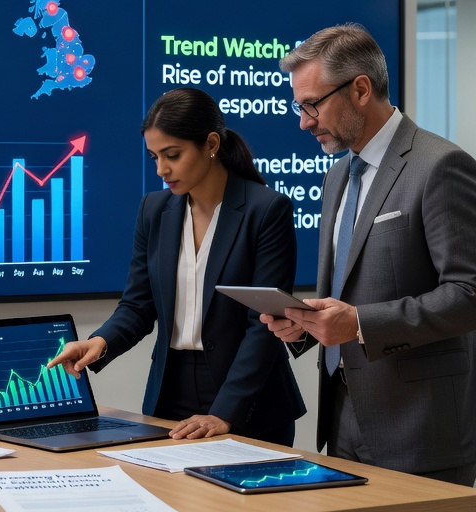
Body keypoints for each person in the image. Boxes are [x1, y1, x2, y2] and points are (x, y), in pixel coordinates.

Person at [261, 23, 476, 512]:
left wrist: (359, 325)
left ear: (361, 90)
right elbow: (350, 292)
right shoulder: (337, 176)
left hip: (423, 428)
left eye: (312, 105)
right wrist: (305, 327)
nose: (304, 123)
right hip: (346, 418)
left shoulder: (441, 167)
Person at [49, 87, 306, 449]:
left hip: (249, 401)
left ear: (211, 143)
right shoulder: (154, 211)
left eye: (172, 155)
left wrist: (224, 413)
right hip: (171, 392)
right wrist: (98, 342)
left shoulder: (266, 211)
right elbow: (138, 305)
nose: (161, 170)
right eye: (154, 157)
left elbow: (262, 328)